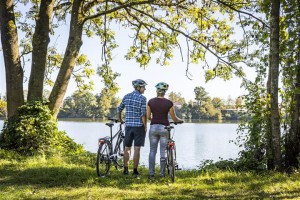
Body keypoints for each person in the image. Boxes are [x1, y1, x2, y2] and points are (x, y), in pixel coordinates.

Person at [147, 82, 183, 179]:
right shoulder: (169, 103)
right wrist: (179, 121)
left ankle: (151, 174)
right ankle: (162, 174)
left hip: (153, 127)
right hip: (164, 128)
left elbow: (148, 116)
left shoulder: (150, 102)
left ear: (157, 91)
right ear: (165, 92)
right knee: (163, 151)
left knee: (152, 151)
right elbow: (174, 118)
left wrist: (154, 119)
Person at [118, 79, 147, 177]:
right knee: (137, 149)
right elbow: (143, 114)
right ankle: (135, 170)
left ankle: (125, 169)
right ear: (138, 87)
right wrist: (145, 126)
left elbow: (119, 109)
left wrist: (121, 119)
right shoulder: (142, 98)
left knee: (127, 148)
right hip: (139, 127)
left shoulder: (126, 96)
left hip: (128, 126)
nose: (145, 89)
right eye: (143, 87)